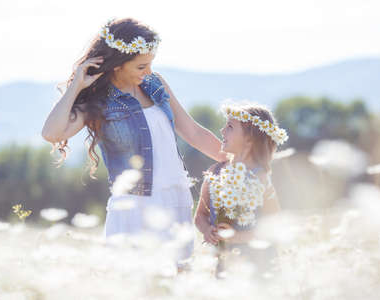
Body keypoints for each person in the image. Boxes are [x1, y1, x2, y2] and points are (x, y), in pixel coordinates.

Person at [41, 18, 226, 264]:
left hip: (176, 197)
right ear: (118, 65)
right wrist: (76, 85)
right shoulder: (97, 103)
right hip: (134, 206)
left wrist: (242, 163)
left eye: (150, 64)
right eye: (141, 67)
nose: (148, 71)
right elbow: (51, 133)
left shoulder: (155, 84)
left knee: (178, 282)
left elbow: (194, 133)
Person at [194, 102, 288, 278]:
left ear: (249, 139)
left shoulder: (260, 178)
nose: (222, 131)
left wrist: (236, 237)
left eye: (229, 127)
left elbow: (274, 226)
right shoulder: (215, 173)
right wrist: (207, 230)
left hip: (259, 264)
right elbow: (200, 215)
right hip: (223, 262)